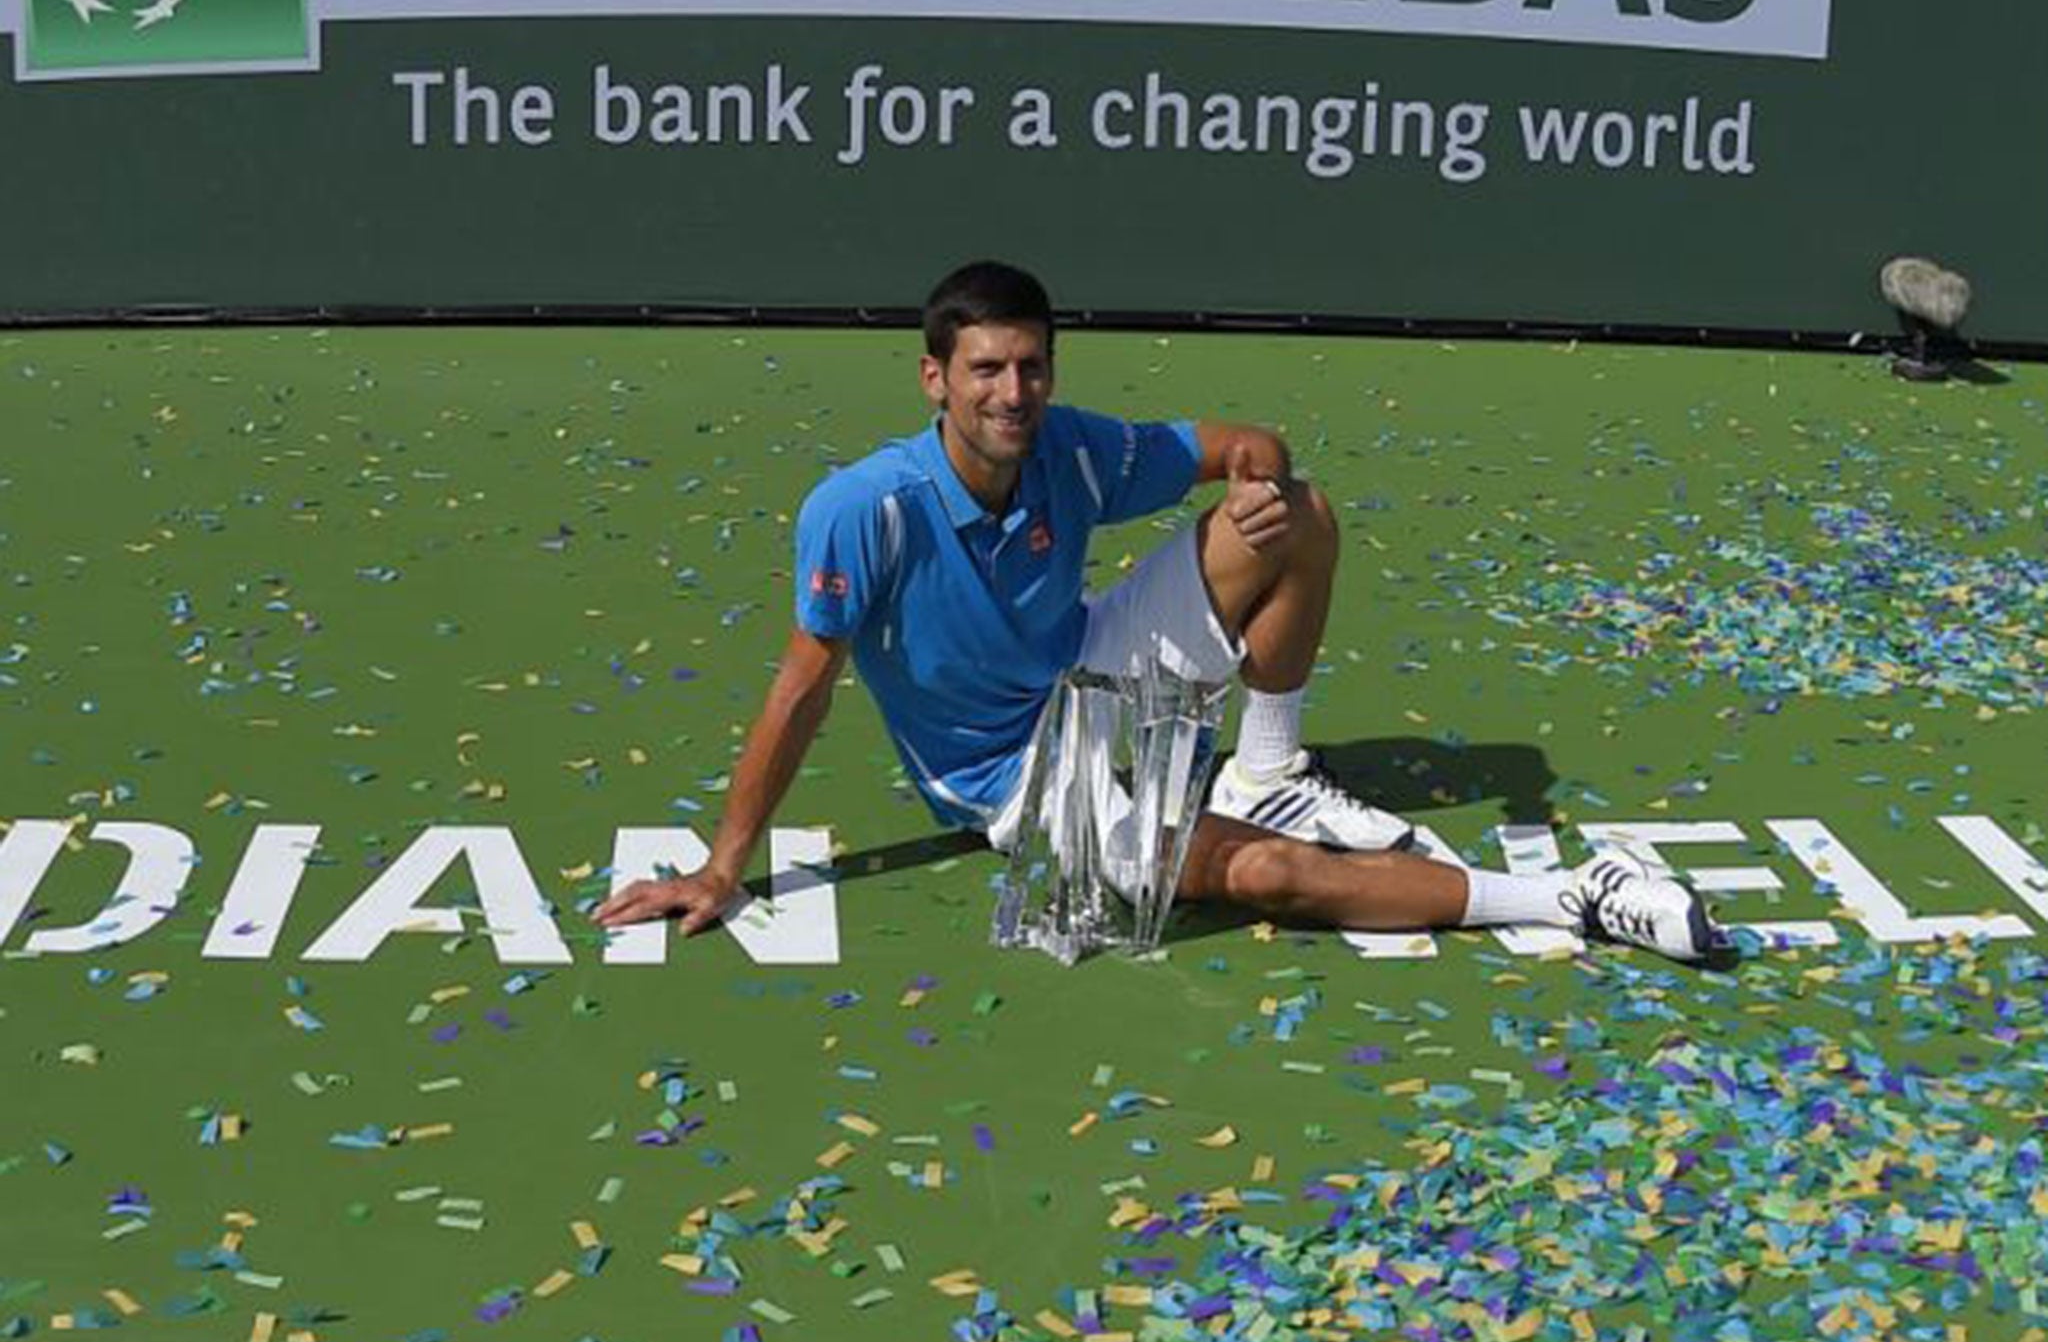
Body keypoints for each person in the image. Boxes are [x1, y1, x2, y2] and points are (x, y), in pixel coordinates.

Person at [595, 261, 1715, 961]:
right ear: (933, 378)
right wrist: (722, 865)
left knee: (1302, 510)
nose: (1011, 394)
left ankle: (1267, 767)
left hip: (1091, 665)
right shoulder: (860, 512)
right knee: (1257, 877)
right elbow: (802, 687)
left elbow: (1244, 445)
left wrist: (1255, 493)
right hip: (1014, 778)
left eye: (1029, 367)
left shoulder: (1070, 445)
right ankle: (1570, 899)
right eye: (984, 370)